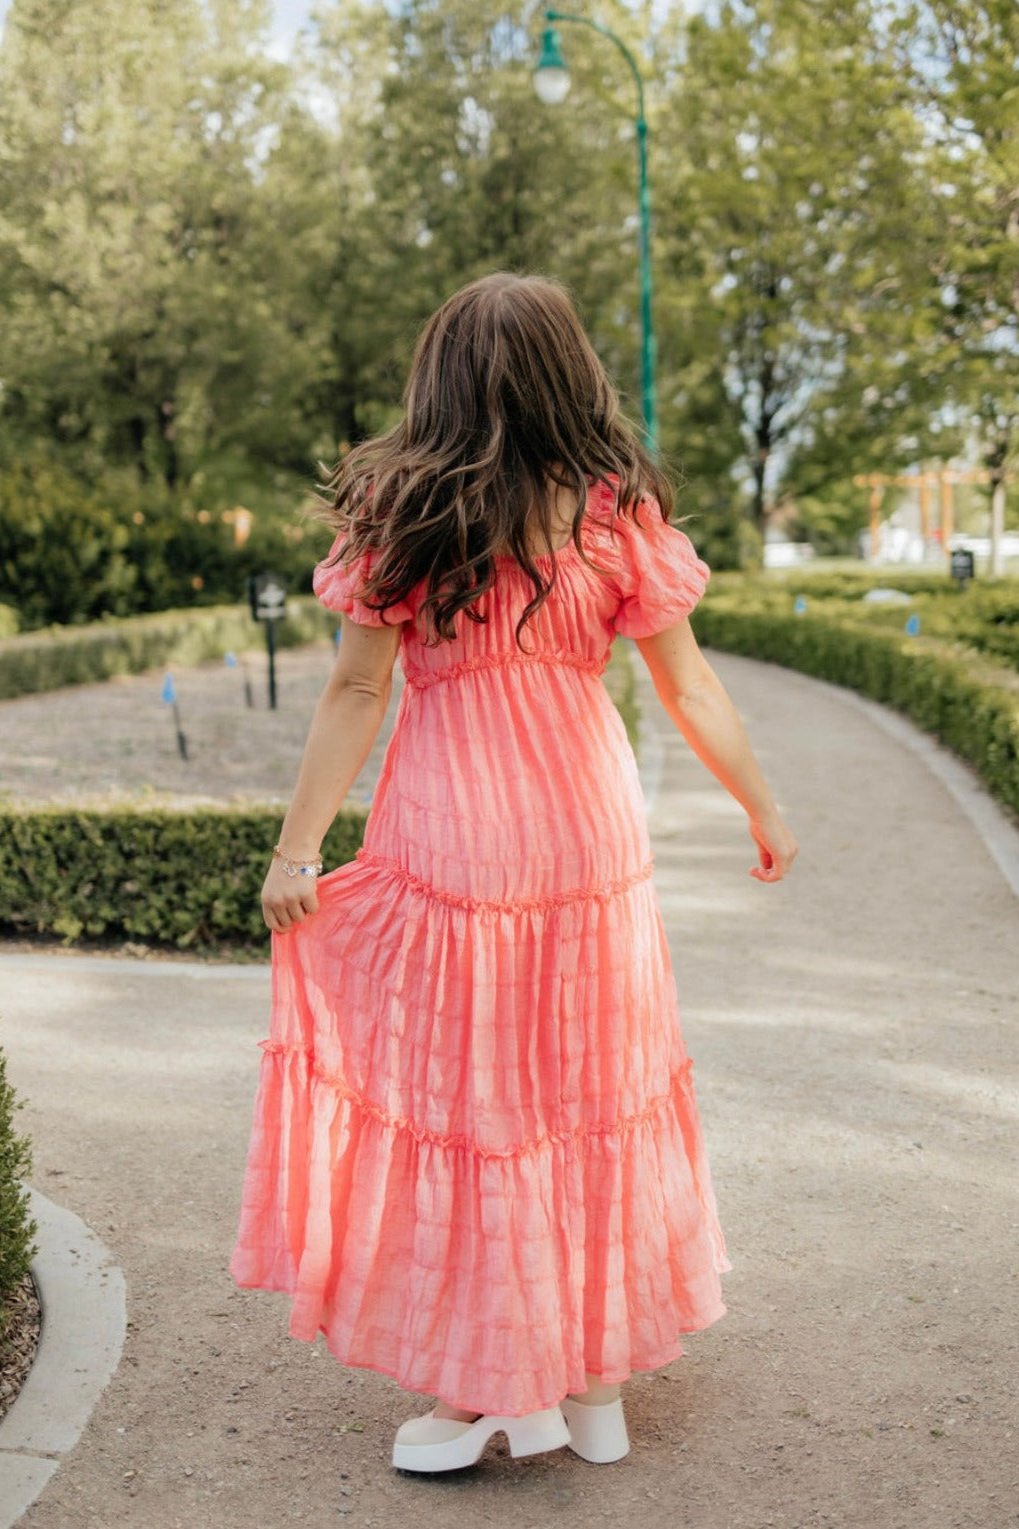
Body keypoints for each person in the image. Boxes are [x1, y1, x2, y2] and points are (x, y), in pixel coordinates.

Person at [228, 271, 798, 1475]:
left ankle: (489, 1384)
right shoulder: (615, 510)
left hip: (455, 830)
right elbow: (685, 686)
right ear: (566, 372)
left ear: (438, 375)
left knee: (475, 1099)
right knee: (588, 1084)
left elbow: (354, 691)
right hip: (589, 830)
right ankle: (588, 1385)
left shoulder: (401, 509)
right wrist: (762, 805)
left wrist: (297, 849)